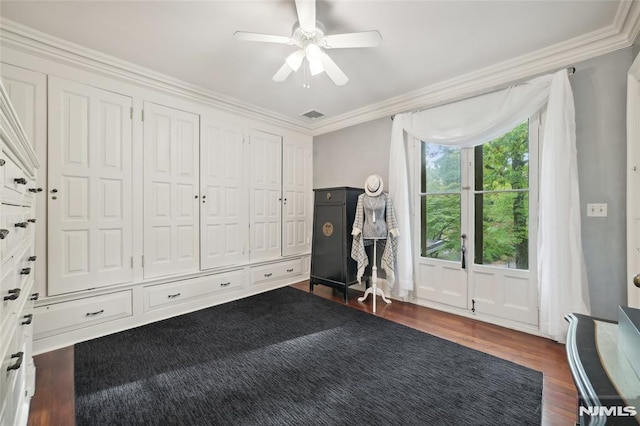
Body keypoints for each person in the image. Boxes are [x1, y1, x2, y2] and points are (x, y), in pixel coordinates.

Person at [351, 174, 399, 288]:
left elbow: (390, 215)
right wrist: (356, 230)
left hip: (382, 232)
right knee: (370, 262)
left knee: (383, 257)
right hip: (367, 232)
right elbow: (359, 215)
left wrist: (393, 230)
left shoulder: (385, 197)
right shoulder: (362, 198)